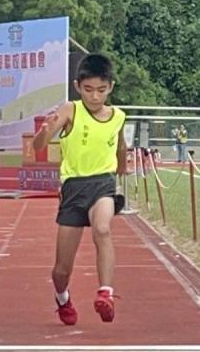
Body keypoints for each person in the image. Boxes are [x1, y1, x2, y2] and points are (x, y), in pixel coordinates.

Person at [30, 54, 128, 325]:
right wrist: (44, 131)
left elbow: (120, 146)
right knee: (61, 270)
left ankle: (105, 293)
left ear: (110, 87)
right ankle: (62, 297)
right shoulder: (70, 110)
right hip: (74, 188)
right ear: (77, 86)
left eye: (101, 90)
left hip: (103, 183)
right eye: (88, 89)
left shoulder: (119, 116)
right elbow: (39, 146)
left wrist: (122, 169)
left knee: (103, 229)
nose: (94, 96)